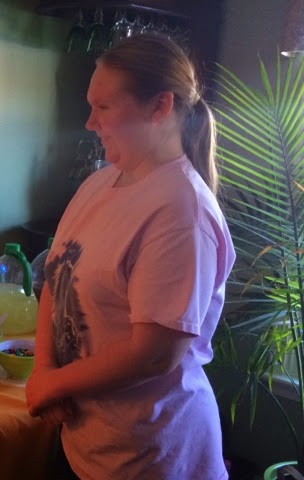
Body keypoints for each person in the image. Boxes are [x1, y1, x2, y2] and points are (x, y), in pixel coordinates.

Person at [25, 33, 235, 480]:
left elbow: (155, 354)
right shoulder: (99, 184)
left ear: (160, 107)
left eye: (103, 107)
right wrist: (44, 369)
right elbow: (57, 281)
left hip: (150, 456)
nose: (89, 122)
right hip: (88, 442)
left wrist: (54, 383)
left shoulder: (181, 210)